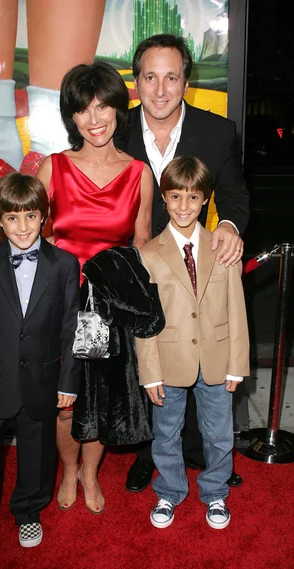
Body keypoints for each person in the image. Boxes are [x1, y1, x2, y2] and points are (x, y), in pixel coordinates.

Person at [124, 34, 250, 493]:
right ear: (136, 81)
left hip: (195, 266)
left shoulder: (217, 133)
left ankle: (204, 455)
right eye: (150, 77)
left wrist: (231, 225)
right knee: (146, 365)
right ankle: (146, 459)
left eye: (171, 77)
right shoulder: (112, 133)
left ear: (186, 81)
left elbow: (235, 194)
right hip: (138, 270)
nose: (160, 89)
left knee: (200, 355)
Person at [36, 61, 153, 514]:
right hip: (60, 302)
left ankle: (90, 472)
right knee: (65, 401)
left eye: (103, 106)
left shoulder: (138, 173)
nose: (95, 118)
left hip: (105, 307)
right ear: (72, 116)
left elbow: (140, 244)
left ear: (118, 110)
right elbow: (31, 238)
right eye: (83, 109)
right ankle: (68, 470)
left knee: (98, 399)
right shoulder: (54, 168)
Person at [0, 173, 81, 561]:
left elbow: (70, 326)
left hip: (42, 380)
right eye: (12, 218)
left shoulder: (64, 265)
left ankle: (28, 510)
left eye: (30, 217)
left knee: (37, 454)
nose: (22, 227)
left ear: (44, 217)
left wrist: (68, 380)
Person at [135, 155, 249, 530]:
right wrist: (149, 374)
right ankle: (169, 490)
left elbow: (236, 308)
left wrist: (237, 364)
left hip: (217, 360)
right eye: (175, 197)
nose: (184, 206)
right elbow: (145, 319)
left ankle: (215, 490)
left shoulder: (223, 248)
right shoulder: (149, 253)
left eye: (193, 197)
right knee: (165, 433)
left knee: (218, 434)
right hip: (169, 362)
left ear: (206, 200)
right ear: (164, 200)